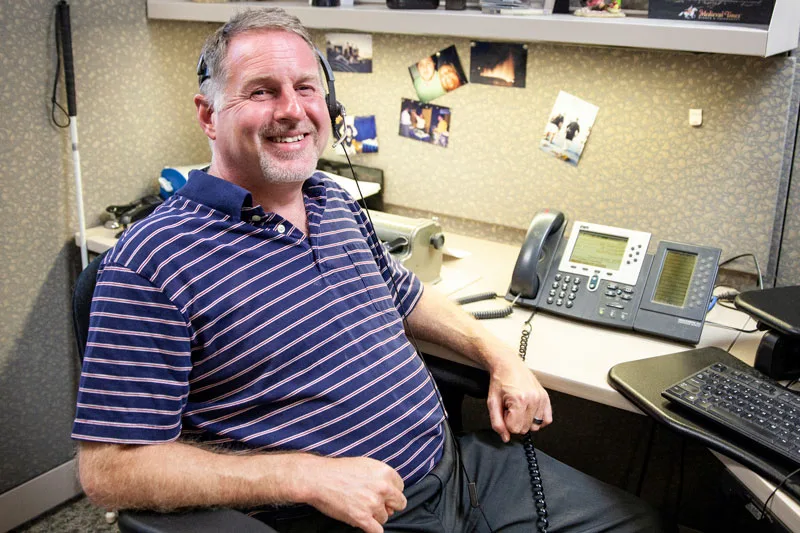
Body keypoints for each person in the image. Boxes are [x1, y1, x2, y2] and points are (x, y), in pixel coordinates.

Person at [73, 8, 672, 533]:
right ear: (208, 115)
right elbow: (110, 470)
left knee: (645, 523)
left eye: (306, 88)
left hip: (459, 471)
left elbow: (408, 297)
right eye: (260, 91)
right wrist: (306, 477)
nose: (292, 110)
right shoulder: (151, 262)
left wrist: (501, 358)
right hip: (338, 513)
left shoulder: (331, 200)